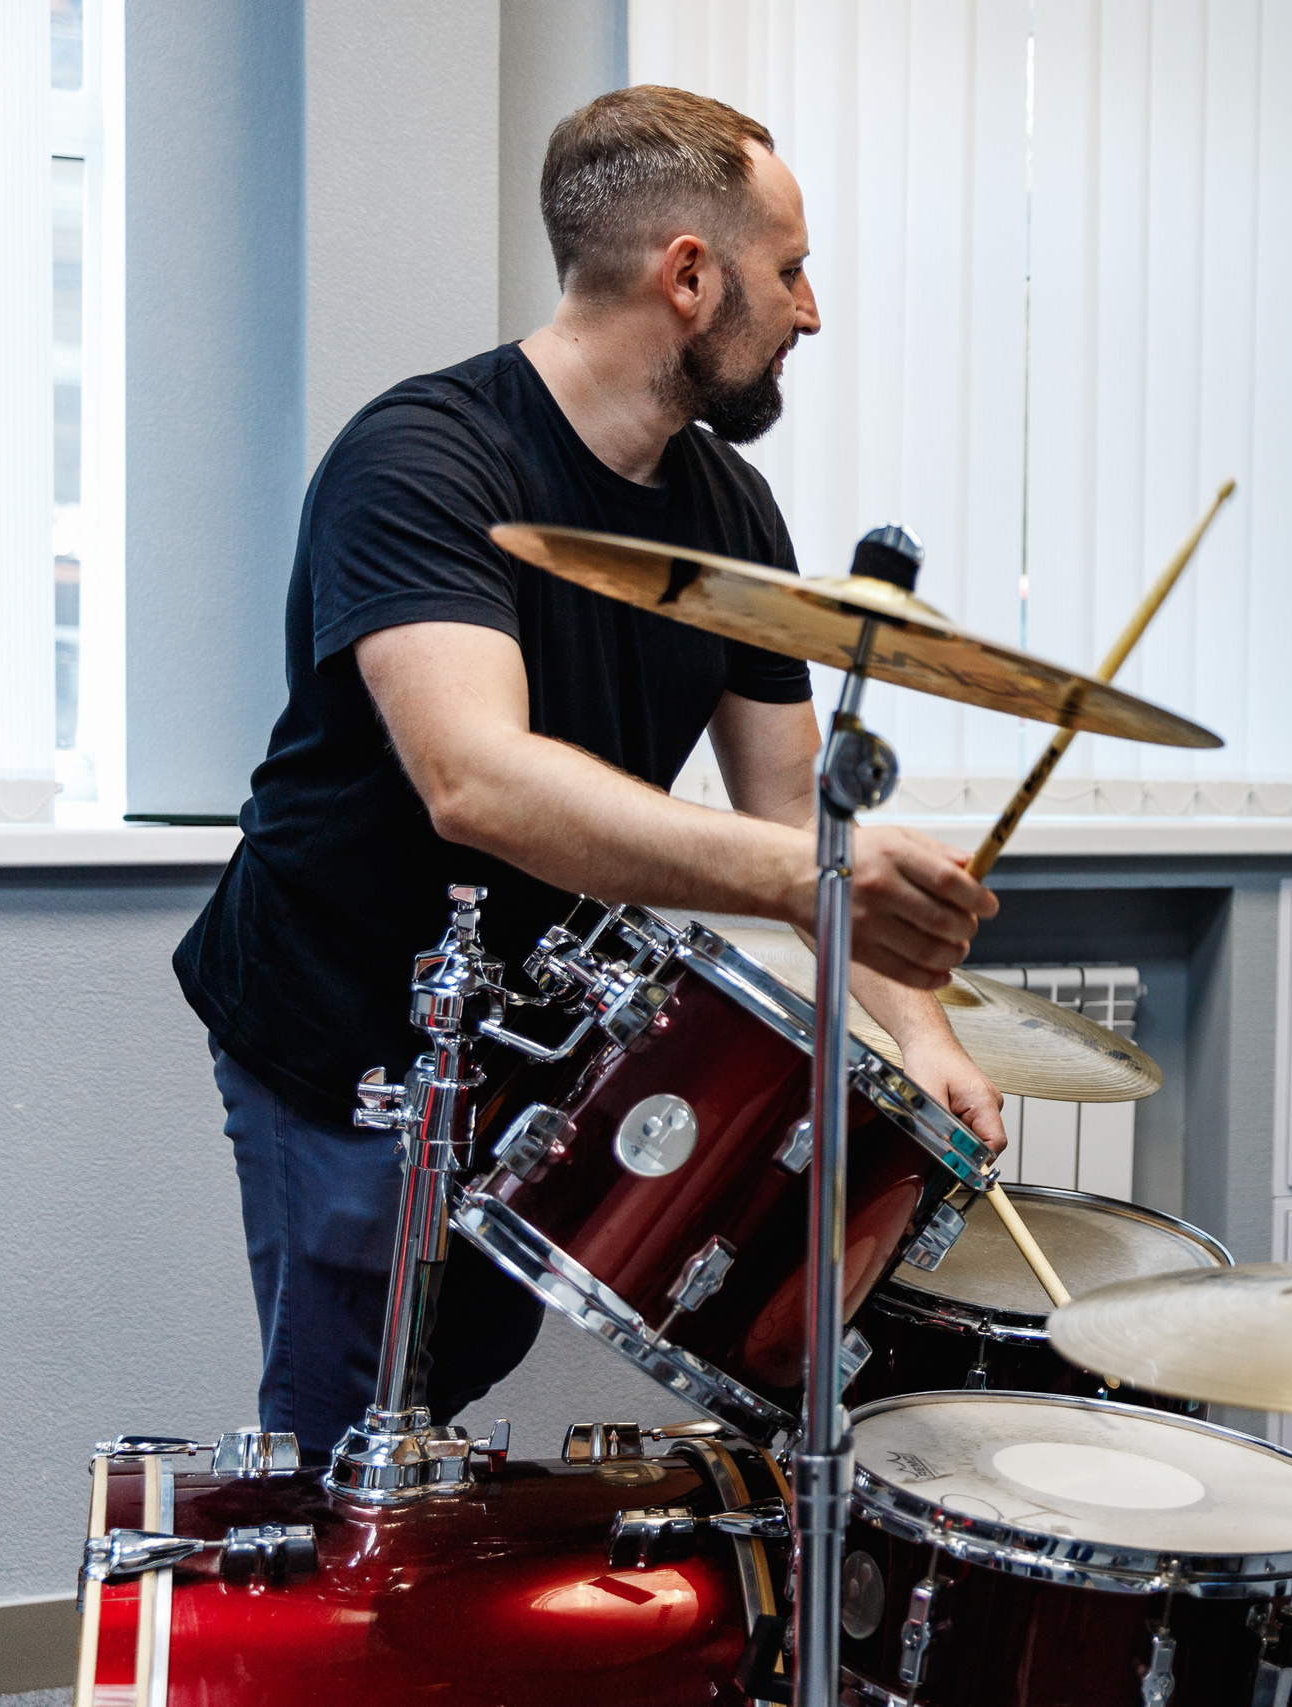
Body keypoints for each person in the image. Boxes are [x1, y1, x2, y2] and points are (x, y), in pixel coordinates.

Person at [173, 86, 1008, 1459]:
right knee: (349, 1442)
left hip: (527, 1052)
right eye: (790, 270)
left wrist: (922, 1040)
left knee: (443, 1403)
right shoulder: (423, 460)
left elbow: (796, 805)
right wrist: (814, 873)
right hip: (345, 1037)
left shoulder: (727, 507)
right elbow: (477, 781)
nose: (813, 312)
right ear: (689, 275)